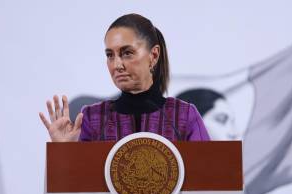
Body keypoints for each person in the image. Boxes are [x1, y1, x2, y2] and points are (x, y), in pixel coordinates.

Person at [39, 13, 210, 143]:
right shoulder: (92, 118)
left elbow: (210, 178)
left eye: (127, 53)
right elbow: (74, 186)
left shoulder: (184, 115)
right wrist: (64, 151)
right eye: (110, 55)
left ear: (154, 55)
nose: (116, 65)